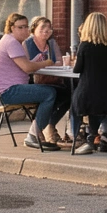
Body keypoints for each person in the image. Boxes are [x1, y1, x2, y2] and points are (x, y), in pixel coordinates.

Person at [0, 12, 69, 150]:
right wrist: (46, 62)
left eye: (26, 26)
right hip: (7, 92)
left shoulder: (12, 42)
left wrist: (36, 63)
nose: (25, 30)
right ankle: (33, 135)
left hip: (9, 89)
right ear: (12, 28)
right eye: (21, 27)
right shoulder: (11, 42)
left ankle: (46, 126)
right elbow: (27, 67)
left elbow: (26, 65)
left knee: (65, 93)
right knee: (49, 93)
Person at [70, 12, 107, 154]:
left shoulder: (84, 46)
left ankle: (89, 138)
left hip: (85, 95)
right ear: (105, 27)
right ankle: (103, 134)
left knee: (87, 104)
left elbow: (77, 69)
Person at [26, 15, 71, 145]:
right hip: (33, 81)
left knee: (69, 95)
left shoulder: (51, 43)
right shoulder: (28, 43)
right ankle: (42, 129)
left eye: (49, 28)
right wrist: (48, 63)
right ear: (34, 29)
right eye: (42, 27)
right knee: (54, 94)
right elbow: (27, 65)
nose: (46, 30)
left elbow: (59, 62)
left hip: (51, 80)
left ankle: (49, 125)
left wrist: (45, 63)